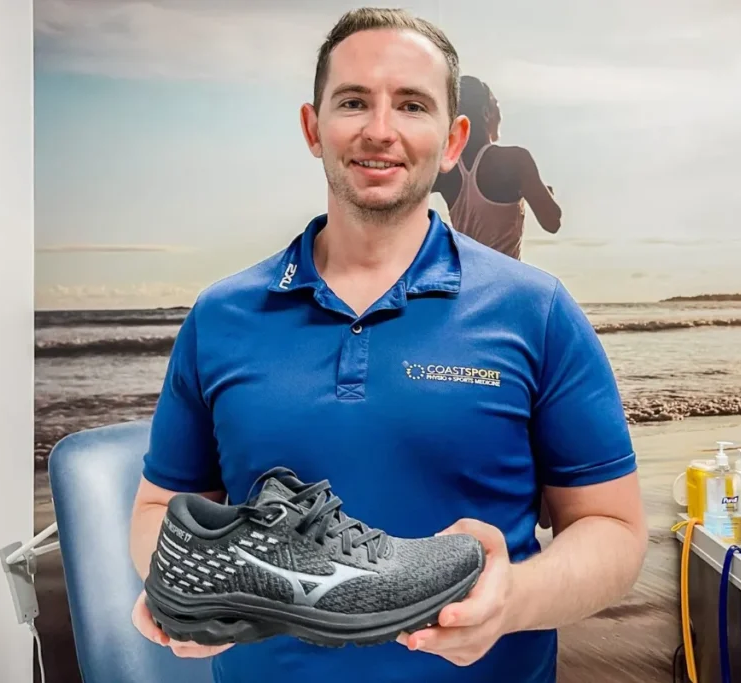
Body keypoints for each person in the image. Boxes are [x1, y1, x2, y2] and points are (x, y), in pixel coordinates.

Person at [129, 8, 647, 683]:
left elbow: (614, 529)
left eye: (411, 104)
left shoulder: (536, 309)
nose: (380, 130)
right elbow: (158, 510)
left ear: (453, 139)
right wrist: (181, 587)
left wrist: (512, 599)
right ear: (314, 128)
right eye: (353, 102)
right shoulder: (221, 315)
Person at [432, 75, 562, 261]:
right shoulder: (515, 160)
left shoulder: (446, 168)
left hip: (466, 279)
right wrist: (541, 193)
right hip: (502, 281)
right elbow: (552, 222)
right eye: (497, 106)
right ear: (487, 113)